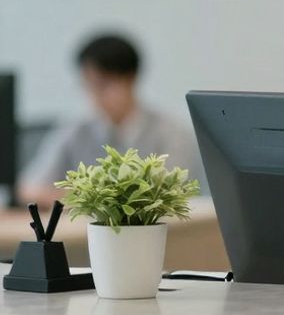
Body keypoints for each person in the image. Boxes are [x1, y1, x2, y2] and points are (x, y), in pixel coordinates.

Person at [17, 33, 206, 206]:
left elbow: (167, 194)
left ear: (130, 79)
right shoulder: (76, 130)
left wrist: (83, 197)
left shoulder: (171, 132)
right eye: (88, 85)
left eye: (102, 85)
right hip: (84, 235)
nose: (94, 95)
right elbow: (29, 189)